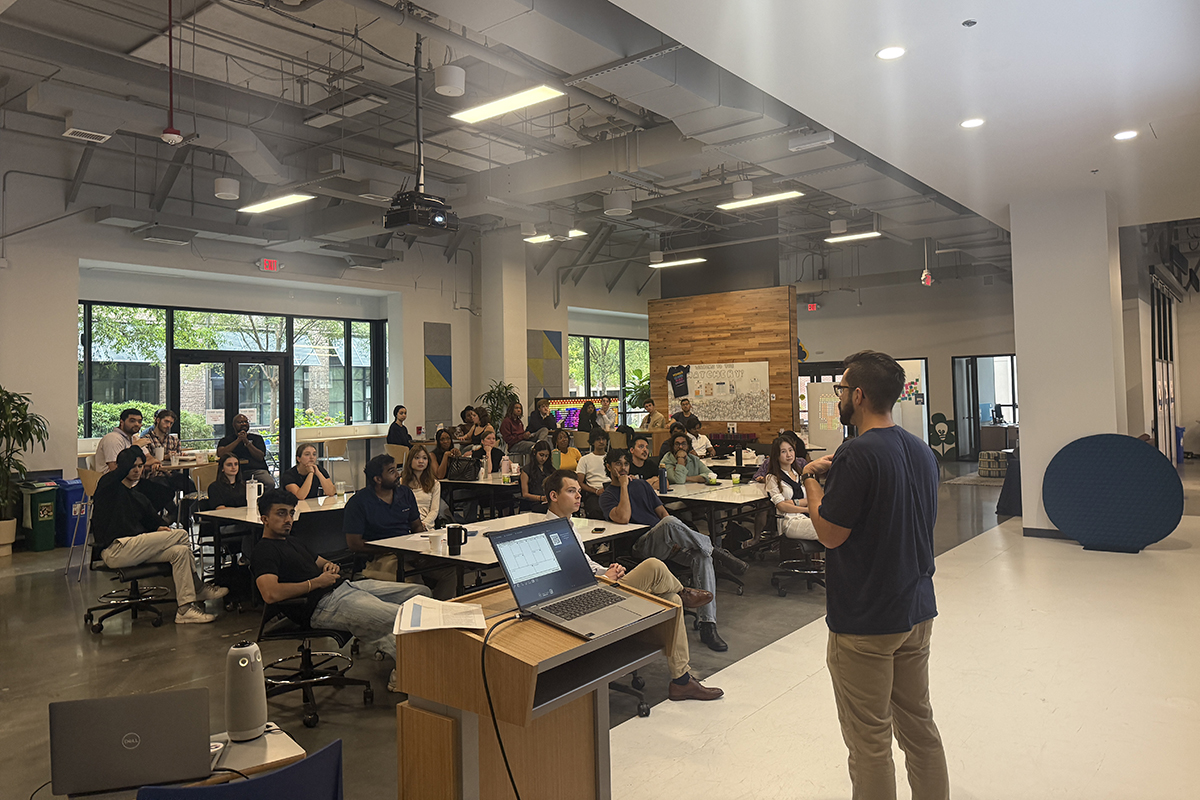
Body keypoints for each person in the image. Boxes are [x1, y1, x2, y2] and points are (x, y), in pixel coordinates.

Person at [802, 351, 948, 799]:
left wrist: (811, 479)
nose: (840, 397)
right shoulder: (921, 451)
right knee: (919, 727)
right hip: (916, 610)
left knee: (869, 741)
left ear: (859, 395)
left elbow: (829, 534)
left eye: (842, 390)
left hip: (867, 620)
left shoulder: (856, 454)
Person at [543, 470, 722, 701]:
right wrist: (603, 578)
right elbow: (564, 581)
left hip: (600, 584)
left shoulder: (569, 526)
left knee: (672, 601)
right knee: (654, 566)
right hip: (587, 599)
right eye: (571, 491)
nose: (578, 496)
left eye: (579, 491)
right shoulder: (547, 531)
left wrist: (605, 570)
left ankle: (681, 680)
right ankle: (683, 590)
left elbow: (583, 563)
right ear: (553, 496)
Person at [252, 489, 430, 692]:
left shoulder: (291, 540)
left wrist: (330, 566)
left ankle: (392, 647)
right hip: (322, 606)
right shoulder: (264, 551)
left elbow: (320, 562)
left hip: (345, 588)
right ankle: (405, 674)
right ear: (264, 518)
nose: (288, 519)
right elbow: (270, 593)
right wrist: (316, 583)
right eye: (281, 513)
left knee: (421, 594)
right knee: (400, 618)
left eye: (291, 513)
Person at [599, 449, 747, 651]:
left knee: (701, 556)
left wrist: (677, 536)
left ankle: (708, 625)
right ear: (609, 467)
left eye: (625, 464)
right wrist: (624, 486)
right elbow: (623, 517)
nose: (623, 468)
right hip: (641, 547)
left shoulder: (642, 485)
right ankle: (716, 550)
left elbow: (662, 512)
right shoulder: (606, 496)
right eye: (618, 464)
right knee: (670, 524)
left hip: (667, 542)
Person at [91, 446, 226, 624]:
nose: (137, 470)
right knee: (182, 534)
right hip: (116, 549)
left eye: (140, 466)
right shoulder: (108, 487)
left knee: (180, 552)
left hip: (136, 549)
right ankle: (198, 587)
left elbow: (154, 521)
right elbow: (118, 473)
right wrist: (133, 454)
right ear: (123, 467)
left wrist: (160, 527)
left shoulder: (139, 495)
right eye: (133, 466)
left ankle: (185, 609)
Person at [343, 454, 424, 583]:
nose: (398, 475)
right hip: (379, 557)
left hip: (409, 551)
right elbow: (354, 544)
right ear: (378, 479)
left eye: (397, 470)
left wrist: (422, 548)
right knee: (412, 579)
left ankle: (441, 602)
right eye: (392, 472)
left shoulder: (405, 493)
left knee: (450, 571)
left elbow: (417, 526)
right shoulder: (359, 502)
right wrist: (390, 548)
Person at [141, 409, 196, 523]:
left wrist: (178, 457)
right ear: (157, 420)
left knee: (191, 486)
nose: (168, 425)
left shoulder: (174, 440)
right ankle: (178, 515)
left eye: (171, 423)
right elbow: (146, 460)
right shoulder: (146, 439)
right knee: (162, 488)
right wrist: (165, 457)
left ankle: (179, 514)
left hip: (172, 473)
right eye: (166, 422)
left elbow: (178, 460)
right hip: (153, 475)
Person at [765, 436, 817, 540]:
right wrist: (807, 509)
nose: (789, 455)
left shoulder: (799, 473)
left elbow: (811, 499)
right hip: (789, 521)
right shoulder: (772, 478)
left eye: (790, 450)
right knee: (825, 530)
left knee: (833, 526)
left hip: (806, 516)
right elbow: (782, 507)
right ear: (777, 455)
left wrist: (791, 502)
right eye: (783, 452)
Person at [216, 414, 274, 488]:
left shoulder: (257, 438)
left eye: (246, 422)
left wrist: (247, 442)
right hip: (235, 471)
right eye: (240, 422)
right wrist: (238, 440)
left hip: (256, 470)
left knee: (270, 483)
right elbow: (220, 453)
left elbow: (260, 456)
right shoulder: (226, 440)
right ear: (233, 425)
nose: (244, 424)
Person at [401, 445, 441, 530]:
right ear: (410, 460)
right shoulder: (401, 482)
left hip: (426, 526)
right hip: (405, 525)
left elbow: (434, 510)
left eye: (424, 458)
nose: (421, 461)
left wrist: (424, 524)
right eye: (417, 458)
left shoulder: (434, 484)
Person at [96, 408, 147, 473]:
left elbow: (149, 459)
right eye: (132, 421)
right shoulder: (113, 439)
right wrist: (135, 447)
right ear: (121, 422)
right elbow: (115, 469)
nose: (137, 424)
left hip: (131, 478)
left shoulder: (134, 438)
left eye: (139, 422)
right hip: (113, 481)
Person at [576, 429, 610, 519]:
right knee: (596, 510)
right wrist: (596, 491)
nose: (601, 442)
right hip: (593, 493)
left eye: (603, 439)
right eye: (598, 439)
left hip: (611, 490)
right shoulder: (585, 459)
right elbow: (579, 482)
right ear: (593, 442)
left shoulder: (611, 458)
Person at [519, 441, 555, 513]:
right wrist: (541, 498)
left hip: (548, 500)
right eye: (541, 455)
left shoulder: (550, 469)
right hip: (533, 503)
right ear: (534, 453)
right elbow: (525, 494)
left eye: (546, 456)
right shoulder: (526, 470)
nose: (544, 458)